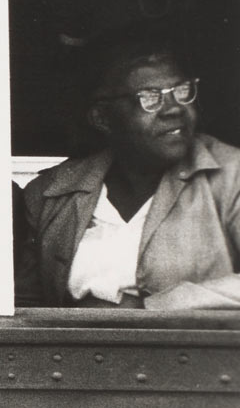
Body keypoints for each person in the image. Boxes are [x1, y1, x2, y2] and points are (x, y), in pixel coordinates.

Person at [17, 29, 240, 309]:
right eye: (149, 96)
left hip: (185, 352)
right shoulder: (51, 193)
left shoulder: (231, 175)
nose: (174, 109)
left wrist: (166, 305)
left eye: (181, 91)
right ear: (103, 118)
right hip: (77, 353)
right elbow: (24, 305)